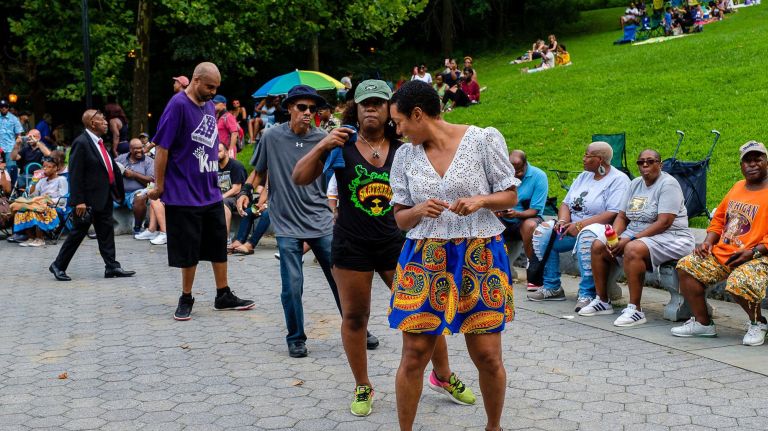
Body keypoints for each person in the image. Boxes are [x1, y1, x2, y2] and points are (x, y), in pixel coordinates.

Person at [292, 80, 476, 417]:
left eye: (378, 103)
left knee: (425, 313)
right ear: (356, 108)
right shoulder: (341, 146)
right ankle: (363, 385)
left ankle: (442, 375)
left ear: (390, 110)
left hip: (396, 244)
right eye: (365, 104)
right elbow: (300, 177)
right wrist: (323, 145)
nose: (371, 109)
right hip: (352, 245)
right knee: (355, 316)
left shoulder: (406, 149)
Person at [388, 80, 518, 431]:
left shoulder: (483, 140)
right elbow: (400, 218)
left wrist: (481, 200)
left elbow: (510, 196)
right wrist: (418, 210)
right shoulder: (405, 156)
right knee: (414, 354)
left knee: (488, 356)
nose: (398, 131)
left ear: (418, 114)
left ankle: (493, 427)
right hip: (424, 258)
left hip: (480, 255)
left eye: (399, 122)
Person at [236, 84, 352, 358]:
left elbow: (340, 175)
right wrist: (245, 191)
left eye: (312, 108)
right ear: (289, 108)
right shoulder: (271, 136)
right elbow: (259, 171)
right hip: (286, 221)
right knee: (291, 286)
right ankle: (296, 337)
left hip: (320, 220)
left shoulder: (324, 139)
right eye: (302, 107)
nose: (308, 112)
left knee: (341, 281)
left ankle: (356, 329)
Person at [147, 62, 255, 321]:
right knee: (189, 250)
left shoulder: (208, 106)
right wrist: (159, 185)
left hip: (210, 190)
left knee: (218, 244)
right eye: (209, 87)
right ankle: (186, 297)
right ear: (195, 80)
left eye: (216, 88)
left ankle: (223, 294)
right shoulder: (177, 105)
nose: (213, 92)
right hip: (184, 193)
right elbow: (162, 148)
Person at [581, 150, 695, 326]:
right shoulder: (635, 184)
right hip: (638, 234)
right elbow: (622, 216)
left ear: (660, 164)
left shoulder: (668, 184)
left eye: (650, 161)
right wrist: (614, 238)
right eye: (641, 162)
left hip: (671, 236)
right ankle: (602, 301)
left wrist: (631, 239)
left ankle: (635, 310)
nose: (645, 165)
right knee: (598, 245)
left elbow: (664, 222)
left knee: (632, 249)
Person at [671, 141, 768, 345]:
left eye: (757, 159)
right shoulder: (738, 186)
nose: (752, 164)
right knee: (686, 267)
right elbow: (719, 218)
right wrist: (708, 242)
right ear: (741, 165)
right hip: (726, 252)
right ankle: (703, 324)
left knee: (739, 281)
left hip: (759, 255)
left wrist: (753, 252)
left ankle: (758, 322)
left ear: (766, 161)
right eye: (747, 161)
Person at [527, 141, 630, 312]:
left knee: (586, 235)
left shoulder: (619, 180)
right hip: (572, 227)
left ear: (599, 159)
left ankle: (587, 293)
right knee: (543, 231)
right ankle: (552, 287)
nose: (583, 158)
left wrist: (580, 225)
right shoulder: (584, 176)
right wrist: (562, 222)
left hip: (601, 230)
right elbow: (566, 203)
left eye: (587, 155)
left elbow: (613, 213)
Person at [49, 109, 135, 282]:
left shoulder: (100, 143)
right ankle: (58, 265)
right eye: (102, 120)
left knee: (106, 232)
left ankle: (112, 266)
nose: (106, 123)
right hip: (87, 200)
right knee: (78, 233)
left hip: (104, 196)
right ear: (92, 123)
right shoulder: (81, 143)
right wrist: (78, 201)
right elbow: (75, 174)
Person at [499, 150, 549, 289]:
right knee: (487, 221)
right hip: (504, 217)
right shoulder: (501, 174)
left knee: (530, 226)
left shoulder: (539, 176)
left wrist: (516, 214)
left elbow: (535, 210)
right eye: (512, 172)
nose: (515, 175)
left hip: (526, 218)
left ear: (526, 164)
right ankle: (497, 269)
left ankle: (533, 273)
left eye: (519, 171)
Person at [9, 156, 67, 247]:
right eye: (44, 167)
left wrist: (47, 200)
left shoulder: (61, 179)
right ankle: (31, 237)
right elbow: (32, 195)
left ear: (55, 168)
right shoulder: (42, 180)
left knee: (34, 211)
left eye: (48, 167)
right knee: (22, 210)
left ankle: (40, 239)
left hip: (55, 207)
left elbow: (63, 199)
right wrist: (34, 182)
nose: (45, 169)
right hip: (39, 204)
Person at [115, 138, 155, 235]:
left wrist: (134, 175)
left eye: (141, 147)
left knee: (140, 196)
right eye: (136, 148)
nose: (139, 150)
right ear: (130, 149)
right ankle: (101, 229)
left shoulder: (149, 161)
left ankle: (137, 228)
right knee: (99, 194)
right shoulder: (121, 158)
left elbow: (151, 182)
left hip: (137, 192)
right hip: (119, 193)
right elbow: (109, 168)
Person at [216, 143, 247, 240]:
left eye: (219, 151)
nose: (216, 154)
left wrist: (220, 197)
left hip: (237, 197)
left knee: (223, 203)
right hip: (221, 197)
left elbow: (236, 189)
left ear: (226, 152)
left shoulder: (236, 166)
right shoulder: (213, 166)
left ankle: (225, 239)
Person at [0, 100, 23, 186]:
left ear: (8, 108)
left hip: (10, 148)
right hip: (0, 148)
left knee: (11, 169)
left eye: (5, 107)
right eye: (1, 107)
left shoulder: (14, 119)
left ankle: (12, 189)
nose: (3, 108)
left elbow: (19, 135)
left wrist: (17, 148)